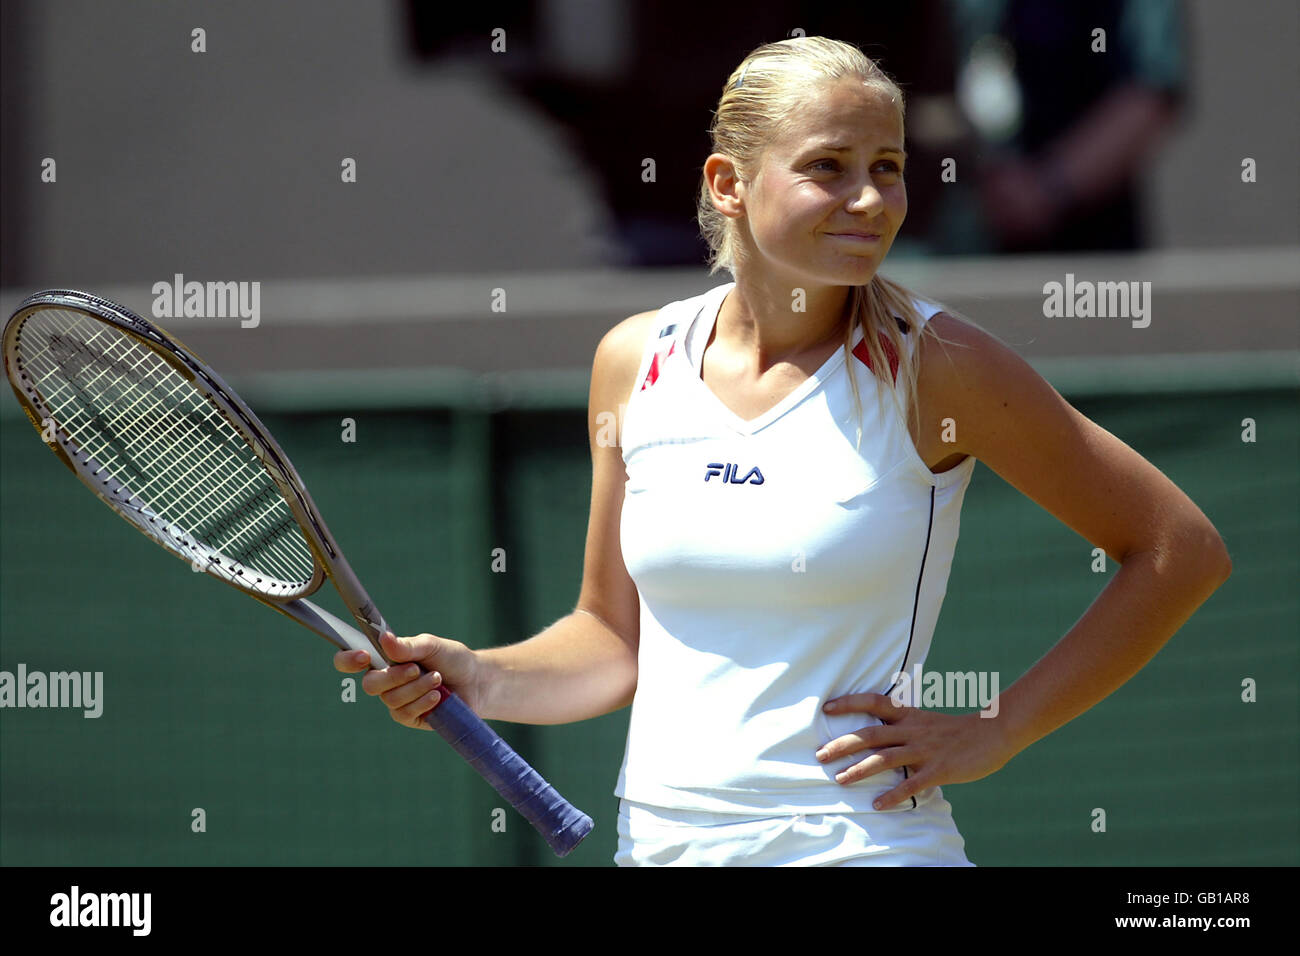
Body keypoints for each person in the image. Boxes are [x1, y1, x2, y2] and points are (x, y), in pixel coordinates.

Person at [335, 36, 1231, 866]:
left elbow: (1177, 549)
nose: (871, 199)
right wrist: (477, 677)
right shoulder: (630, 363)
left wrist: (994, 731)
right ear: (729, 181)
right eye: (828, 168)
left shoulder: (942, 368)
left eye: (888, 167)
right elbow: (612, 642)